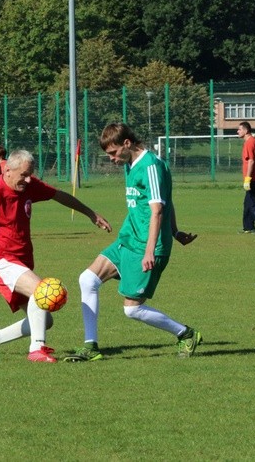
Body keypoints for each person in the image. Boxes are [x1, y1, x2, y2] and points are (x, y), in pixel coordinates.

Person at [0, 149, 112, 363]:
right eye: (23, 175)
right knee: (42, 290)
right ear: (8, 170)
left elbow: (59, 195)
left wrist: (91, 213)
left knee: (44, 321)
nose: (28, 179)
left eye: (30, 174)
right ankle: (37, 349)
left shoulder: (28, 185)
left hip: (21, 261)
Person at [64, 122, 200, 362]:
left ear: (127, 143)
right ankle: (91, 346)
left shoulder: (151, 166)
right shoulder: (130, 164)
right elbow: (166, 201)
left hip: (147, 246)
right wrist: (176, 231)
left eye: (113, 153)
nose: (112, 159)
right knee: (88, 279)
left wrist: (151, 250)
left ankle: (185, 333)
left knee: (132, 309)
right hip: (127, 239)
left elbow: (158, 209)